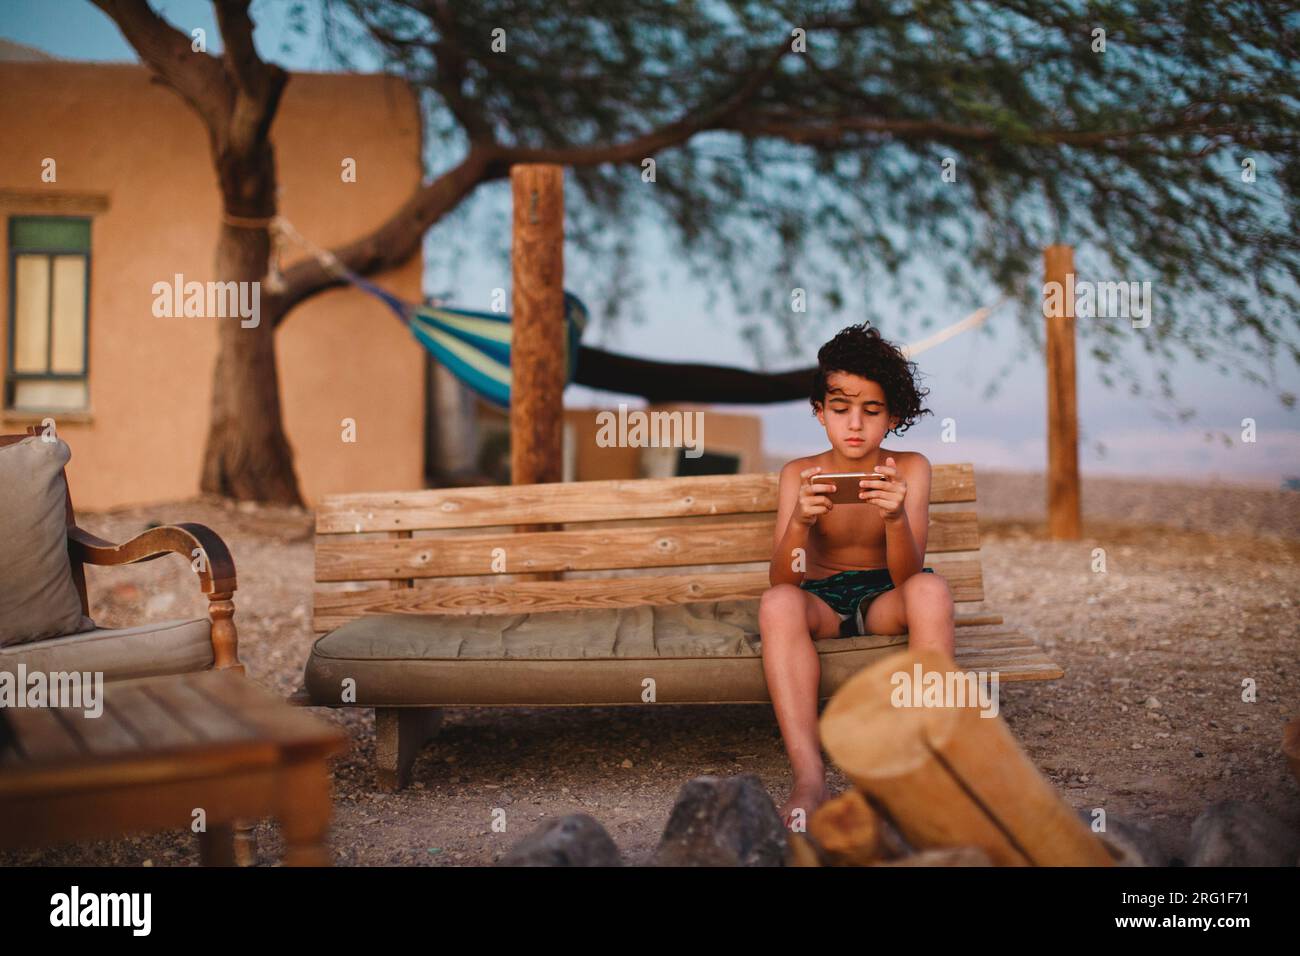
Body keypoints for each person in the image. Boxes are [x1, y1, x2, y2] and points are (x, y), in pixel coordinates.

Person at [760, 322, 956, 828]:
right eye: (841, 409)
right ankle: (809, 778)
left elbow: (909, 575)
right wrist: (801, 520)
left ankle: (927, 763)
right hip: (821, 602)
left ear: (892, 416)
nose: (855, 425)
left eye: (871, 412)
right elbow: (783, 580)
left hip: (885, 597)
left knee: (931, 590)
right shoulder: (797, 474)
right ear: (819, 412)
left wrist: (895, 518)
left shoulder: (910, 468)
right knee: (777, 605)